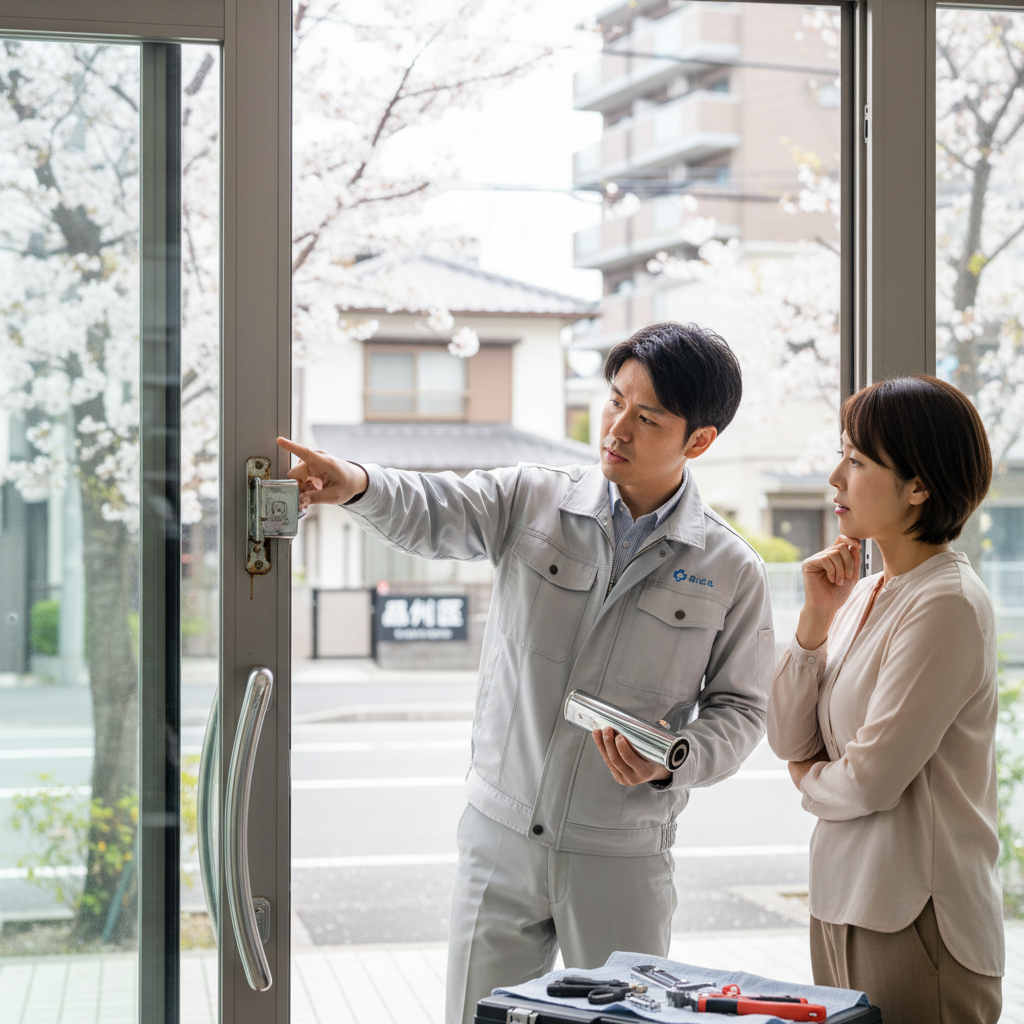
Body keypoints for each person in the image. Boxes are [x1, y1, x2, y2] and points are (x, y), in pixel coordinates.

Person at [278, 321, 775, 1024]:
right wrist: (355, 483)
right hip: (500, 832)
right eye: (614, 401)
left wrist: (672, 761)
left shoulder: (731, 569)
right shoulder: (532, 498)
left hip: (620, 851)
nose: (616, 428)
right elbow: (435, 508)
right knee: (473, 1016)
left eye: (646, 417)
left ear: (699, 440)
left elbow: (744, 708)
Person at [767, 375, 1004, 1023]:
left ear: (919, 486)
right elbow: (789, 738)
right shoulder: (868, 592)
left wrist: (804, 779)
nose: (834, 479)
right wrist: (815, 621)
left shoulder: (946, 601)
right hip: (841, 901)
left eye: (857, 460)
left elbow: (872, 779)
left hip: (917, 918)